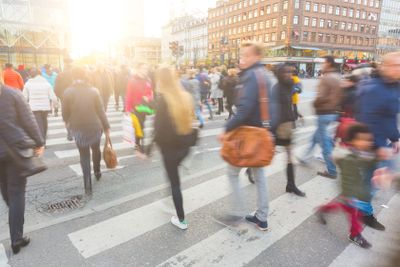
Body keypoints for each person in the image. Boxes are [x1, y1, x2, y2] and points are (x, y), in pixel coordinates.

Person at [221, 42, 274, 231]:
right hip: (260, 133)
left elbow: (243, 109)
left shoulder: (252, 76)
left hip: (248, 135)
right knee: (259, 176)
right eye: (241, 55)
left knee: (232, 173)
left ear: (256, 56)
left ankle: (237, 213)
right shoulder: (265, 75)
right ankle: (262, 217)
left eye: (246, 55)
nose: (241, 59)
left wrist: (226, 129)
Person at [355, 51, 400, 230]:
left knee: (373, 179)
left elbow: (388, 115)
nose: (399, 69)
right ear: (385, 66)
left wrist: (395, 138)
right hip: (372, 145)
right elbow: (367, 122)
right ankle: (361, 209)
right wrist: (380, 147)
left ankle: (360, 205)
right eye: (396, 66)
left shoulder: (393, 85)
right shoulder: (374, 88)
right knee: (374, 179)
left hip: (382, 141)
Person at [0, 81, 45, 254]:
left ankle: (14, 216)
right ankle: (16, 238)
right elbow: (28, 120)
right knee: (17, 191)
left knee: (5, 188)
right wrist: (39, 141)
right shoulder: (12, 94)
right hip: (15, 151)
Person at [317, 124, 377, 249]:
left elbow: (366, 163)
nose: (367, 143)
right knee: (353, 212)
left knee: (344, 208)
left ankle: (323, 209)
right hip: (349, 192)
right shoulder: (348, 158)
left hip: (355, 191)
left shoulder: (359, 152)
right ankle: (355, 235)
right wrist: (349, 195)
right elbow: (347, 179)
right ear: (352, 141)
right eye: (363, 139)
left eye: (368, 139)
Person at [154, 65, 196, 230]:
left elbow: (159, 128)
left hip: (170, 149)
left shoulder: (163, 99)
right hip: (185, 146)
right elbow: (191, 118)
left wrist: (147, 149)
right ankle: (169, 193)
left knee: (175, 183)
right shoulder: (185, 96)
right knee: (173, 176)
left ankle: (181, 219)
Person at [62, 67, 110, 195]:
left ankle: (87, 182)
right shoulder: (94, 91)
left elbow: (65, 112)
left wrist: (67, 122)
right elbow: (101, 111)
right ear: (86, 76)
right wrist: (106, 126)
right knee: (95, 148)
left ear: (73, 77)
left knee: (83, 155)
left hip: (78, 126)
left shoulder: (68, 91)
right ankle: (98, 171)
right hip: (95, 125)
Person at [298, 56, 343, 179]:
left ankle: (332, 170)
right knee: (316, 136)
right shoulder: (338, 77)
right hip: (333, 112)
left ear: (328, 63)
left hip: (324, 112)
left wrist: (315, 104)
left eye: (323, 63)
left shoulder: (327, 78)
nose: (322, 65)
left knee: (325, 143)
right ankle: (304, 157)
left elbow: (321, 97)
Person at [272, 64, 306, 197]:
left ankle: (290, 185)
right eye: (285, 72)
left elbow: (290, 104)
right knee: (266, 153)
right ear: (279, 74)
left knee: (290, 155)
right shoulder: (276, 89)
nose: (288, 74)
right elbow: (272, 111)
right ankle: (251, 169)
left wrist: (298, 114)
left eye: (290, 72)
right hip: (278, 126)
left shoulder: (289, 86)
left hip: (288, 124)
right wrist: (271, 130)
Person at [23, 68, 57, 143]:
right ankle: (43, 139)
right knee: (44, 122)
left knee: (38, 124)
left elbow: (24, 97)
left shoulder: (28, 84)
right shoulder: (46, 83)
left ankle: (41, 141)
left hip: (34, 107)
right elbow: (53, 97)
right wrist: (54, 106)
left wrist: (24, 108)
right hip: (45, 107)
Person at [125, 66, 154, 154]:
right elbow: (128, 95)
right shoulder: (132, 81)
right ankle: (139, 144)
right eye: (142, 69)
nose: (144, 71)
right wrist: (128, 109)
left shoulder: (148, 80)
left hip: (144, 107)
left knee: (142, 126)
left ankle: (138, 143)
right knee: (139, 126)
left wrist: (148, 98)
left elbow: (151, 94)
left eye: (145, 69)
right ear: (137, 70)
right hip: (135, 108)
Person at [55, 58, 74, 140]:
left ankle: (69, 131)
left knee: (66, 116)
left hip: (64, 98)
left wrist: (61, 96)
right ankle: (74, 131)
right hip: (75, 98)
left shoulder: (60, 75)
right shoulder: (75, 74)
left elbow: (55, 89)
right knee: (75, 115)